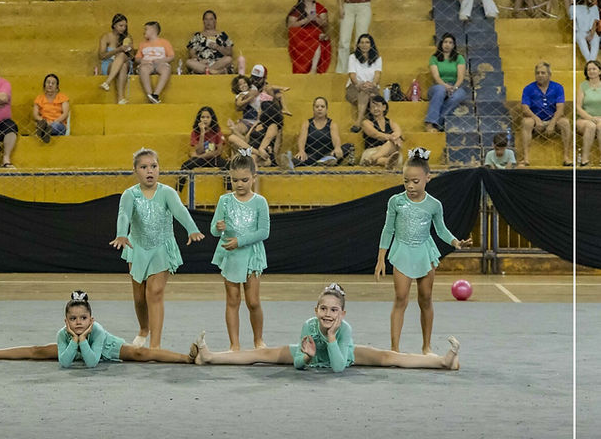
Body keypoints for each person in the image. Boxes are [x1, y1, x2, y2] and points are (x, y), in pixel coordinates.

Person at [193, 284, 461, 371]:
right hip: (313, 354)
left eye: (334, 310)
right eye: (323, 309)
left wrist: (332, 338)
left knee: (388, 357)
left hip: (343, 353)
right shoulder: (308, 326)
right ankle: (211, 356)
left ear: (342, 313)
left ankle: (441, 361)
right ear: (316, 311)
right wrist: (305, 356)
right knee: (260, 354)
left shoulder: (344, 329)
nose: (328, 314)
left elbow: (339, 367)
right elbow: (298, 364)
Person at [375, 148, 471, 354]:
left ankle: (426, 346)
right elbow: (388, 229)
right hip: (402, 250)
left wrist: (455, 242)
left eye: (415, 181)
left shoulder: (434, 205)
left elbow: (441, 229)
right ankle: (395, 348)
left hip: (424, 251)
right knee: (401, 297)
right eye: (406, 181)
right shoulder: (396, 201)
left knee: (425, 298)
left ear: (428, 178)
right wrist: (381, 256)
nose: (410, 185)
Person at [109, 148, 205, 349]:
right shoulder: (130, 195)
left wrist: (192, 229)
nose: (149, 171)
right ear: (135, 170)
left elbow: (180, 211)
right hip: (137, 247)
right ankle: (144, 329)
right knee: (139, 297)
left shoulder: (167, 193)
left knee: (155, 293)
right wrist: (121, 233)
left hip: (161, 247)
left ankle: (155, 345)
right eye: (144, 167)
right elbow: (124, 215)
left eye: (154, 166)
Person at [0, 291, 196, 366]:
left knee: (141, 353)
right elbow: (64, 362)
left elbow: (92, 363)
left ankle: (186, 358)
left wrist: (82, 340)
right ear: (66, 321)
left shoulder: (97, 331)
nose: (78, 322)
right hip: (77, 346)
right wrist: (75, 340)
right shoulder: (64, 334)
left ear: (92, 320)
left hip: (106, 348)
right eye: (73, 319)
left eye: (83, 318)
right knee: (38, 351)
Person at [210, 154, 269, 351]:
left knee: (253, 302)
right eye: (234, 180)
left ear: (254, 177)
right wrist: (219, 227)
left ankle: (258, 340)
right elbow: (213, 229)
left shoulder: (260, 202)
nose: (239, 184)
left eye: (244, 180)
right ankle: (234, 344)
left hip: (251, 256)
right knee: (232, 300)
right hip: (231, 256)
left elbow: (263, 232)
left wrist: (240, 241)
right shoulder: (224, 200)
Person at [519, 61, 572, 166]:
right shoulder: (528, 88)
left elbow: (560, 109)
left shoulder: (558, 87)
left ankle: (566, 157)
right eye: (537, 73)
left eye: (543, 73)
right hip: (535, 121)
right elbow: (525, 108)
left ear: (549, 75)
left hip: (553, 120)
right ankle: (526, 158)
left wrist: (552, 123)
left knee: (565, 122)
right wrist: (536, 119)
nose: (540, 75)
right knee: (526, 122)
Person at [424, 32, 467, 133]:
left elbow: (460, 78)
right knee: (440, 90)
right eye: (445, 42)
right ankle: (429, 123)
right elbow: (436, 77)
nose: (447, 45)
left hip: (454, 86)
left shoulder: (459, 58)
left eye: (450, 43)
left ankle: (438, 122)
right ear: (441, 43)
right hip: (438, 86)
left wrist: (454, 88)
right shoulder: (434, 58)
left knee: (459, 95)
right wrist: (445, 86)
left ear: (453, 45)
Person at [178, 106, 226, 192]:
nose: (205, 119)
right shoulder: (195, 132)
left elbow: (218, 151)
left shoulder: (217, 131)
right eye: (202, 117)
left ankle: (229, 192)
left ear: (212, 119)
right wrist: (202, 133)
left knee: (228, 165)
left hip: (213, 159)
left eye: (208, 117)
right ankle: (177, 192)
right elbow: (199, 150)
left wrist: (201, 156)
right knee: (185, 166)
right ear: (199, 119)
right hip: (200, 160)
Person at [286, 0, 331, 75]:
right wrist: (306, 20)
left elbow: (325, 24)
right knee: (293, 32)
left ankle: (313, 69)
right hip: (302, 33)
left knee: (318, 36)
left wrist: (316, 19)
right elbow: (290, 25)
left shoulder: (319, 7)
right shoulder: (298, 8)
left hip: (315, 32)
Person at [292, 96, 344, 167]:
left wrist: (337, 147)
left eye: (322, 107)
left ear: (326, 109)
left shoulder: (332, 124)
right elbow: (302, 138)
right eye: (317, 107)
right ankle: (319, 163)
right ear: (313, 109)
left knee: (348, 147)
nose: (320, 109)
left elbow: (336, 138)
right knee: (296, 160)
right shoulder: (307, 123)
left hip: (328, 155)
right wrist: (301, 150)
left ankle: (324, 161)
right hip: (311, 155)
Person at [227, 100, 281, 168]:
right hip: (252, 151)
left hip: (265, 154)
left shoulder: (272, 125)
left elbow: (267, 140)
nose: (258, 112)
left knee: (253, 157)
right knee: (232, 137)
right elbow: (246, 140)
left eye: (260, 109)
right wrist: (234, 129)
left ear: (265, 112)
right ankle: (253, 155)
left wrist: (260, 150)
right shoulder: (257, 123)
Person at [345, 33, 381, 132]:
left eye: (367, 42)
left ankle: (359, 122)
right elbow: (352, 75)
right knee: (367, 94)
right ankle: (363, 122)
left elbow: (377, 75)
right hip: (354, 86)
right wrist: (359, 84)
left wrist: (372, 84)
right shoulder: (352, 57)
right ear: (358, 45)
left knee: (369, 93)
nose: (364, 45)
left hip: (371, 86)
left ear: (371, 44)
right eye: (362, 42)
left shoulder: (377, 58)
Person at [97, 13, 134, 104]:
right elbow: (101, 56)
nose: (123, 28)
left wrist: (127, 50)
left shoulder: (128, 37)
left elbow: (132, 57)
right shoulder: (106, 37)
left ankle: (107, 82)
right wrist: (118, 50)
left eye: (125, 26)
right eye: (120, 25)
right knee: (123, 66)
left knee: (122, 57)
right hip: (109, 64)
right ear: (114, 25)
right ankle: (120, 98)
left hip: (126, 61)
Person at [135, 21, 174, 104]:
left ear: (153, 30)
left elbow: (171, 56)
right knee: (143, 69)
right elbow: (137, 58)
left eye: (146, 29)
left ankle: (156, 94)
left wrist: (161, 60)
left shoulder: (164, 42)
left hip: (160, 63)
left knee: (166, 69)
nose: (144, 32)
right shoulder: (142, 44)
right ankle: (149, 94)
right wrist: (143, 61)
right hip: (147, 64)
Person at [185, 10, 234, 75]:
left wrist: (218, 47)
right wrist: (200, 60)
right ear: (203, 21)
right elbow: (192, 53)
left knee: (228, 59)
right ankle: (214, 71)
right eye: (206, 19)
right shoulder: (197, 36)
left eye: (211, 19)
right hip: (202, 64)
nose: (208, 22)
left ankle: (207, 71)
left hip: (218, 63)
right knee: (189, 62)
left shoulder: (223, 35)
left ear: (215, 21)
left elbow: (229, 53)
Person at [360, 94, 403, 168]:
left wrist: (395, 137)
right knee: (391, 142)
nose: (375, 109)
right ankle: (382, 160)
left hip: (389, 152)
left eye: (378, 106)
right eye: (372, 107)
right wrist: (391, 137)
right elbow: (375, 134)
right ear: (369, 110)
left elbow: (398, 132)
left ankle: (378, 160)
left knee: (392, 143)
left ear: (384, 107)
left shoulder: (390, 122)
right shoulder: (366, 122)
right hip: (372, 150)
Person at [576, 59, 601, 167]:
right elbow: (578, 106)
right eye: (589, 69)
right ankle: (584, 160)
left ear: (599, 71)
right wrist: (590, 118)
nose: (591, 71)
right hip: (584, 119)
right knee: (591, 126)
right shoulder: (583, 86)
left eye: (594, 69)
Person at [33, 73, 69, 143]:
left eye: (53, 83)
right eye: (48, 82)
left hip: (58, 123)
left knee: (55, 126)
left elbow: (65, 113)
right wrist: (45, 122)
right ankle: (45, 131)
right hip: (44, 122)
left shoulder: (63, 97)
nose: (50, 85)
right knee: (42, 124)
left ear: (57, 86)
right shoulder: (39, 98)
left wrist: (53, 122)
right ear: (44, 85)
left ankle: (45, 131)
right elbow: (35, 115)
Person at [572, 0, 600, 64]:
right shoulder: (575, 8)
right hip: (580, 31)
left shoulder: (594, 8)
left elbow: (595, 22)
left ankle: (590, 62)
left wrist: (591, 34)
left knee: (596, 39)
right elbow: (574, 22)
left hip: (591, 31)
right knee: (580, 38)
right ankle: (591, 62)